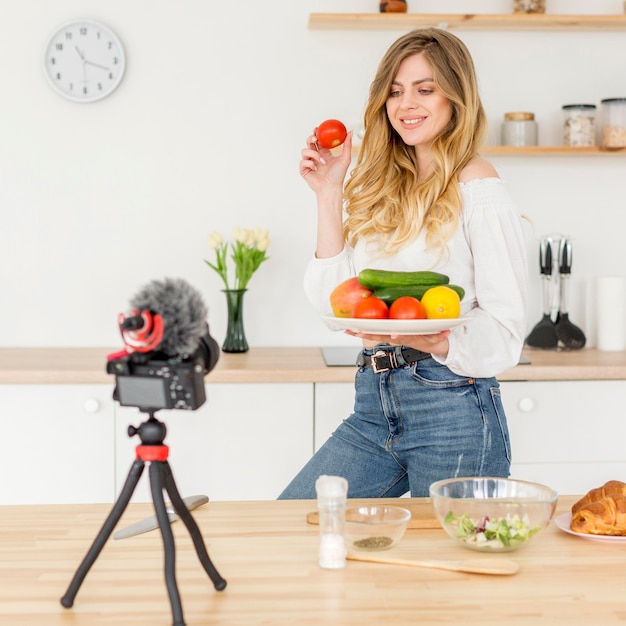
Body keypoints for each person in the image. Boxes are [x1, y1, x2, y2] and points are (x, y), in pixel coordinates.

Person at [278, 27, 528, 500]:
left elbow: (507, 328)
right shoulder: (382, 184)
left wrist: (441, 338)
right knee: (295, 523)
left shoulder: (478, 185)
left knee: (454, 566)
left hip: (452, 405)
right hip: (374, 401)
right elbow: (338, 305)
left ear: (456, 97)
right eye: (394, 91)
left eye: (424, 89)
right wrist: (329, 192)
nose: (406, 103)